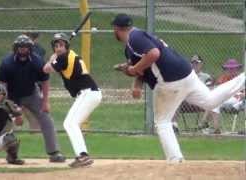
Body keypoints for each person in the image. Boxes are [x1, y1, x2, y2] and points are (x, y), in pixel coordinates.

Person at [111, 13, 245, 163]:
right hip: (186, 73)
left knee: (162, 122)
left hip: (170, 80)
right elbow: (142, 69)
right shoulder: (136, 40)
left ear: (117, 29)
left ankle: (175, 160)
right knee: (211, 102)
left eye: (113, 29)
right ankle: (243, 78)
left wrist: (132, 68)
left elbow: (153, 54)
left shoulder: (134, 37)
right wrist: (135, 81)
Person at [0, 34, 66, 162]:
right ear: (15, 48)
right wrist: (13, 111)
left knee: (46, 118)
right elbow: (2, 87)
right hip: (11, 96)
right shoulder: (7, 63)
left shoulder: (37, 61)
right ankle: (4, 154)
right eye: (20, 47)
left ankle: (54, 152)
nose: (23, 50)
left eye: (25, 47)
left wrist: (45, 102)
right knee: (4, 121)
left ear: (30, 48)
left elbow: (45, 81)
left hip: (31, 94)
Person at [43, 33, 102, 168]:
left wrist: (51, 59)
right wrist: (54, 58)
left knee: (70, 123)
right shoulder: (67, 55)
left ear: (66, 46)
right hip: (89, 94)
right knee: (70, 123)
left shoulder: (63, 57)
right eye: (56, 46)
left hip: (88, 93)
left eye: (61, 45)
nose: (58, 48)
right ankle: (82, 155)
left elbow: (46, 69)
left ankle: (83, 156)